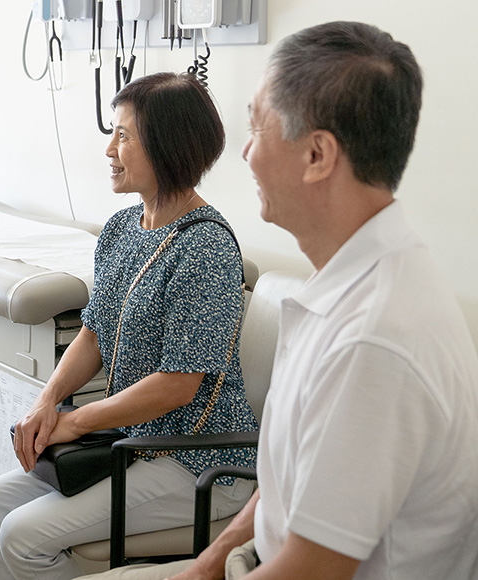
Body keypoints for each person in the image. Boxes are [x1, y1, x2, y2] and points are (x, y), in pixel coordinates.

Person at [75, 21, 478, 580]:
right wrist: (207, 564)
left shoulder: (374, 338)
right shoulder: (343, 284)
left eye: (257, 129)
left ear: (317, 155)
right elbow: (286, 485)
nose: (244, 153)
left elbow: (310, 569)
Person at [0, 72, 259, 580]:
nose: (109, 148)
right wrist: (47, 400)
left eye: (124, 135)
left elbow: (178, 385)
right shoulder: (123, 229)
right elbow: (93, 333)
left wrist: (77, 420)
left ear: (167, 146)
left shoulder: (207, 248)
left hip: (197, 459)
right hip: (131, 442)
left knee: (22, 536)